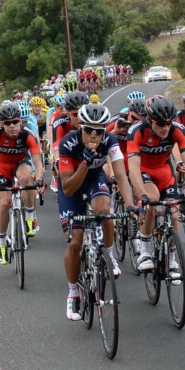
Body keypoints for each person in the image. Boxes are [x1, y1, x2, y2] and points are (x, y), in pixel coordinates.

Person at [57, 102, 133, 318]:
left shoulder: (110, 141)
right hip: (72, 184)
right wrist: (84, 163)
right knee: (75, 243)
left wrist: (130, 205)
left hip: (95, 180)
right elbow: (68, 188)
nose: (93, 135)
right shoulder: (68, 143)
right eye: (89, 129)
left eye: (99, 131)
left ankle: (109, 255)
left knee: (104, 210)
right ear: (80, 127)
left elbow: (121, 176)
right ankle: (73, 293)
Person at [124, 95, 185, 272]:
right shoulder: (137, 131)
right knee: (152, 200)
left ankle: (172, 258)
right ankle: (145, 250)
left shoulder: (177, 130)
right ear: (149, 120)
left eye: (168, 123)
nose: (165, 128)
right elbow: (133, 168)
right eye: (160, 124)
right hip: (143, 171)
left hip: (164, 173)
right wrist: (141, 194)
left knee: (174, 214)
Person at [0, 102, 44, 264]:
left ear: (20, 122)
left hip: (21, 163)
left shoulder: (28, 134)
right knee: (5, 203)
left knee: (26, 178)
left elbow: (38, 162)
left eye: (15, 122)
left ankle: (30, 217)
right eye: (8, 123)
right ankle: (2, 243)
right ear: (1, 124)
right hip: (1, 167)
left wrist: (39, 180)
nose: (12, 126)